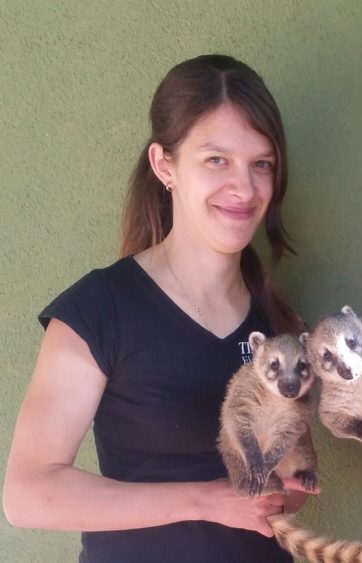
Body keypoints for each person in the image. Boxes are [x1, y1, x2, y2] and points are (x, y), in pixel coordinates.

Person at [3, 54, 314, 562]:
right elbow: (28, 495)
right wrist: (204, 500)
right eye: (216, 160)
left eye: (262, 164)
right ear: (164, 164)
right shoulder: (99, 309)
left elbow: (286, 490)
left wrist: (296, 474)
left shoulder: (276, 325)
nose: (244, 187)